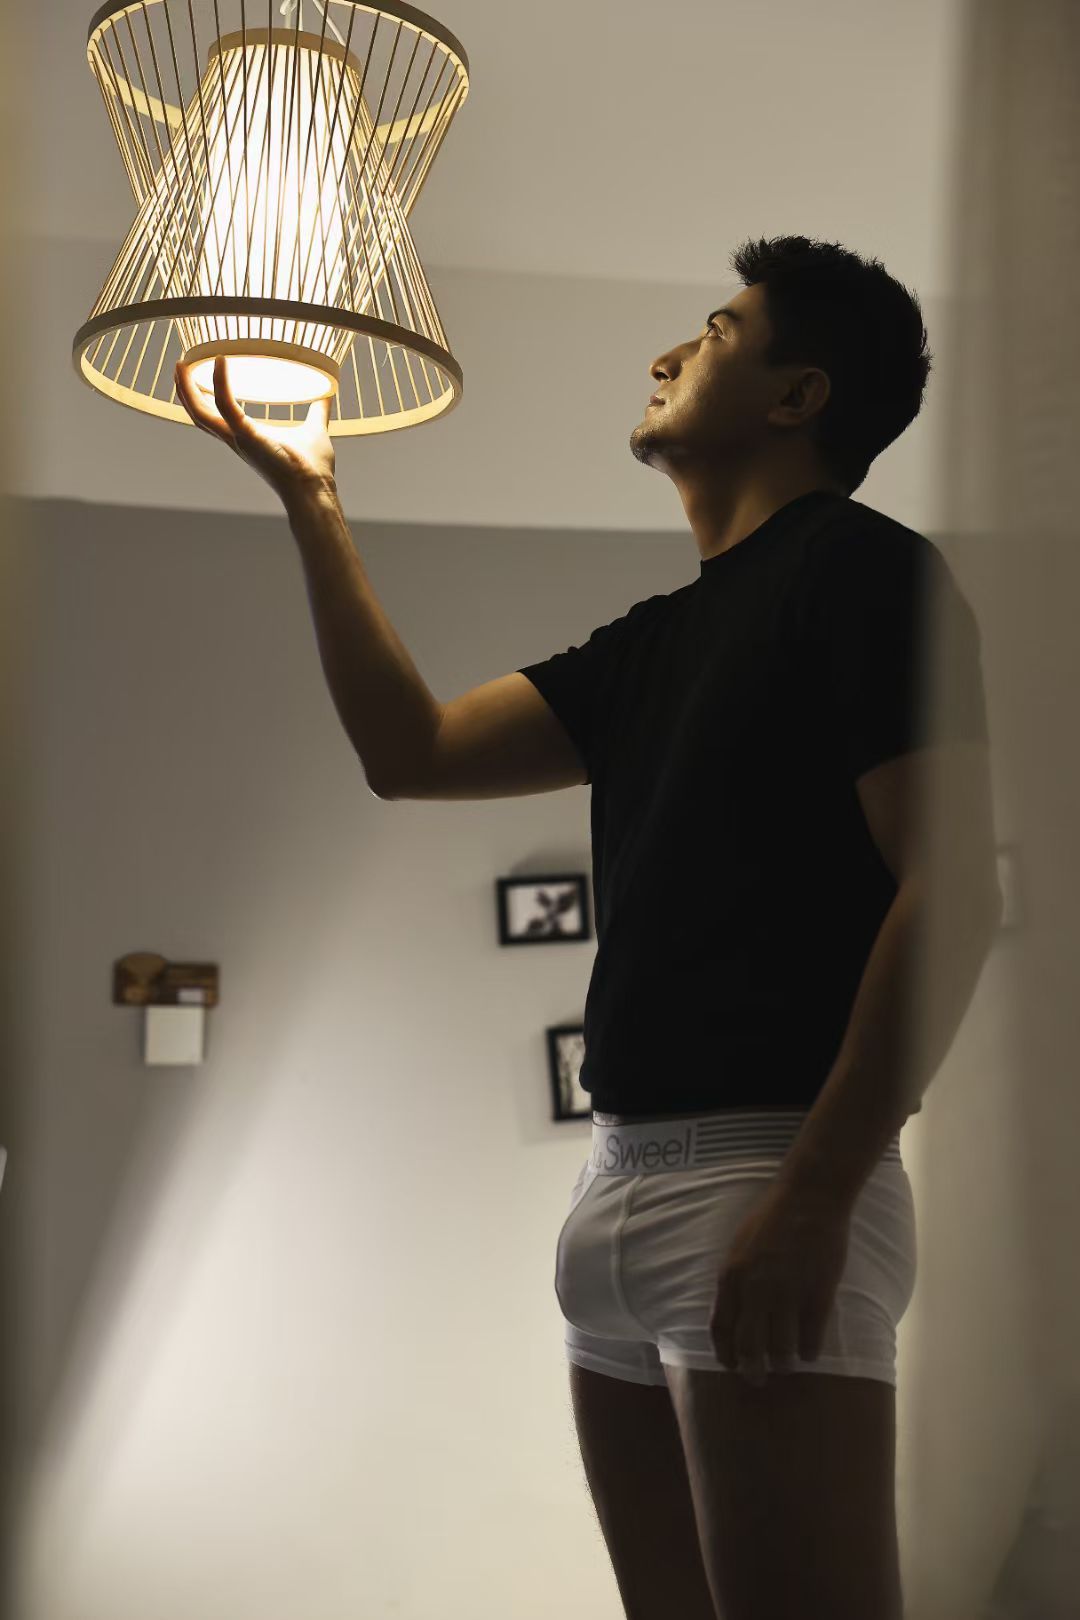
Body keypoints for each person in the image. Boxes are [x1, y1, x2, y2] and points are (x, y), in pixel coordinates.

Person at [174, 233, 1001, 1620]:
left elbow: (956, 888)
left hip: (764, 1179)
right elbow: (411, 750)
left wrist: (816, 1196)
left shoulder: (869, 575)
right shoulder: (653, 640)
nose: (668, 353)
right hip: (615, 1192)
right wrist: (311, 492)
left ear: (798, 397)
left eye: (716, 332)